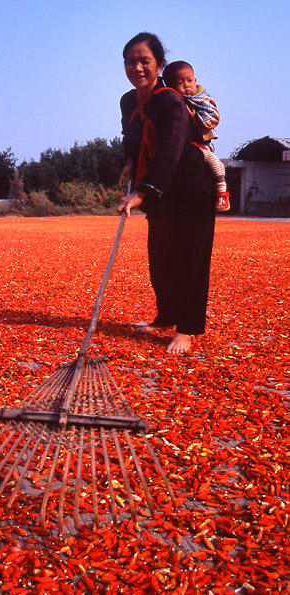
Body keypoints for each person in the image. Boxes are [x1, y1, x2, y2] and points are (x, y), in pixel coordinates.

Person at [117, 32, 216, 354]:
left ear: (159, 65)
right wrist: (130, 163)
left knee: (190, 261)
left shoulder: (170, 99)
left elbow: (171, 149)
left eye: (144, 61)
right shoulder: (128, 100)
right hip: (161, 195)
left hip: (191, 190)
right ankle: (166, 315)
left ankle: (186, 329)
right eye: (130, 61)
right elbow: (129, 137)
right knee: (161, 260)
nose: (137, 67)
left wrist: (142, 193)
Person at [162, 60, 230, 212]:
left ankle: (222, 194)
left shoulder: (202, 99)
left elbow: (214, 117)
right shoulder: (174, 100)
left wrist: (195, 119)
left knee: (215, 164)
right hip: (183, 145)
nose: (187, 85)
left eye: (190, 81)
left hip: (201, 143)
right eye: (180, 83)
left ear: (195, 80)